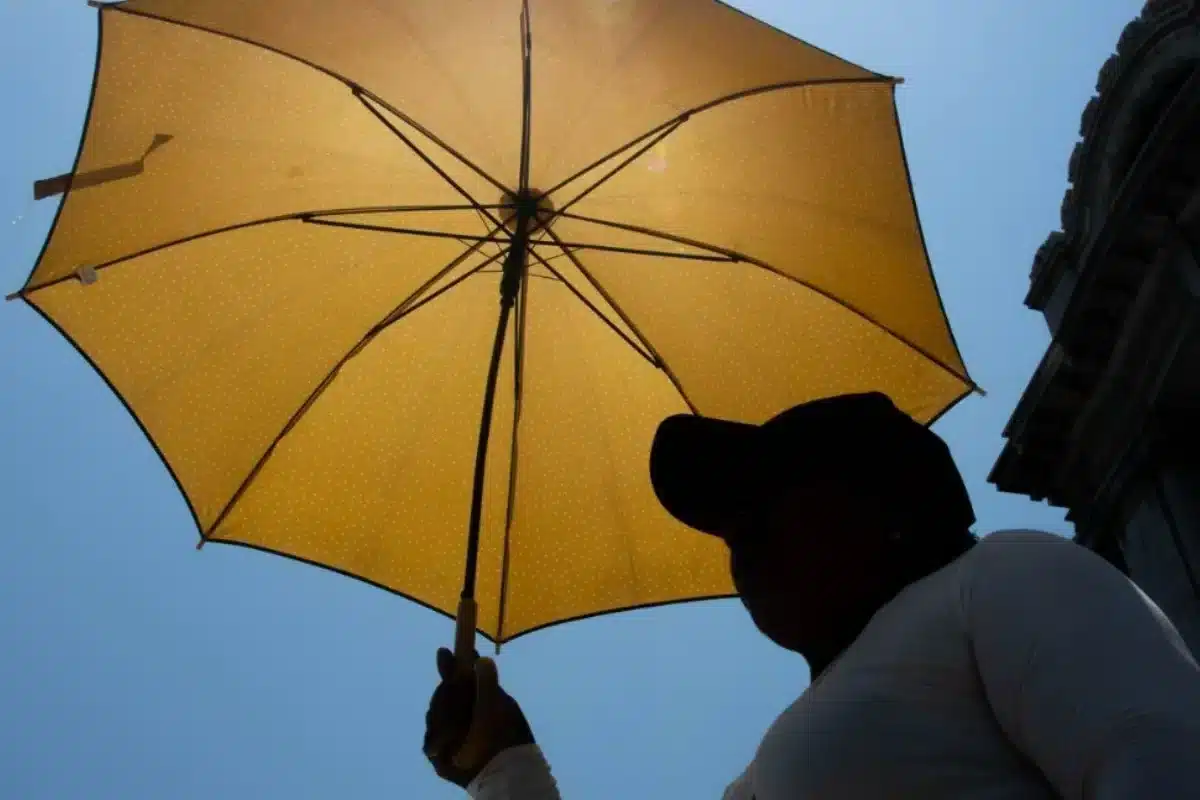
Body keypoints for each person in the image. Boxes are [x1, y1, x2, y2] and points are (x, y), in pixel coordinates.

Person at [423, 392, 1200, 798]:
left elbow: (1151, 757)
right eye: (730, 532)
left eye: (762, 509)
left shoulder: (1003, 575)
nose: (741, 548)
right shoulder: (760, 772)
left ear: (878, 505)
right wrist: (502, 762)